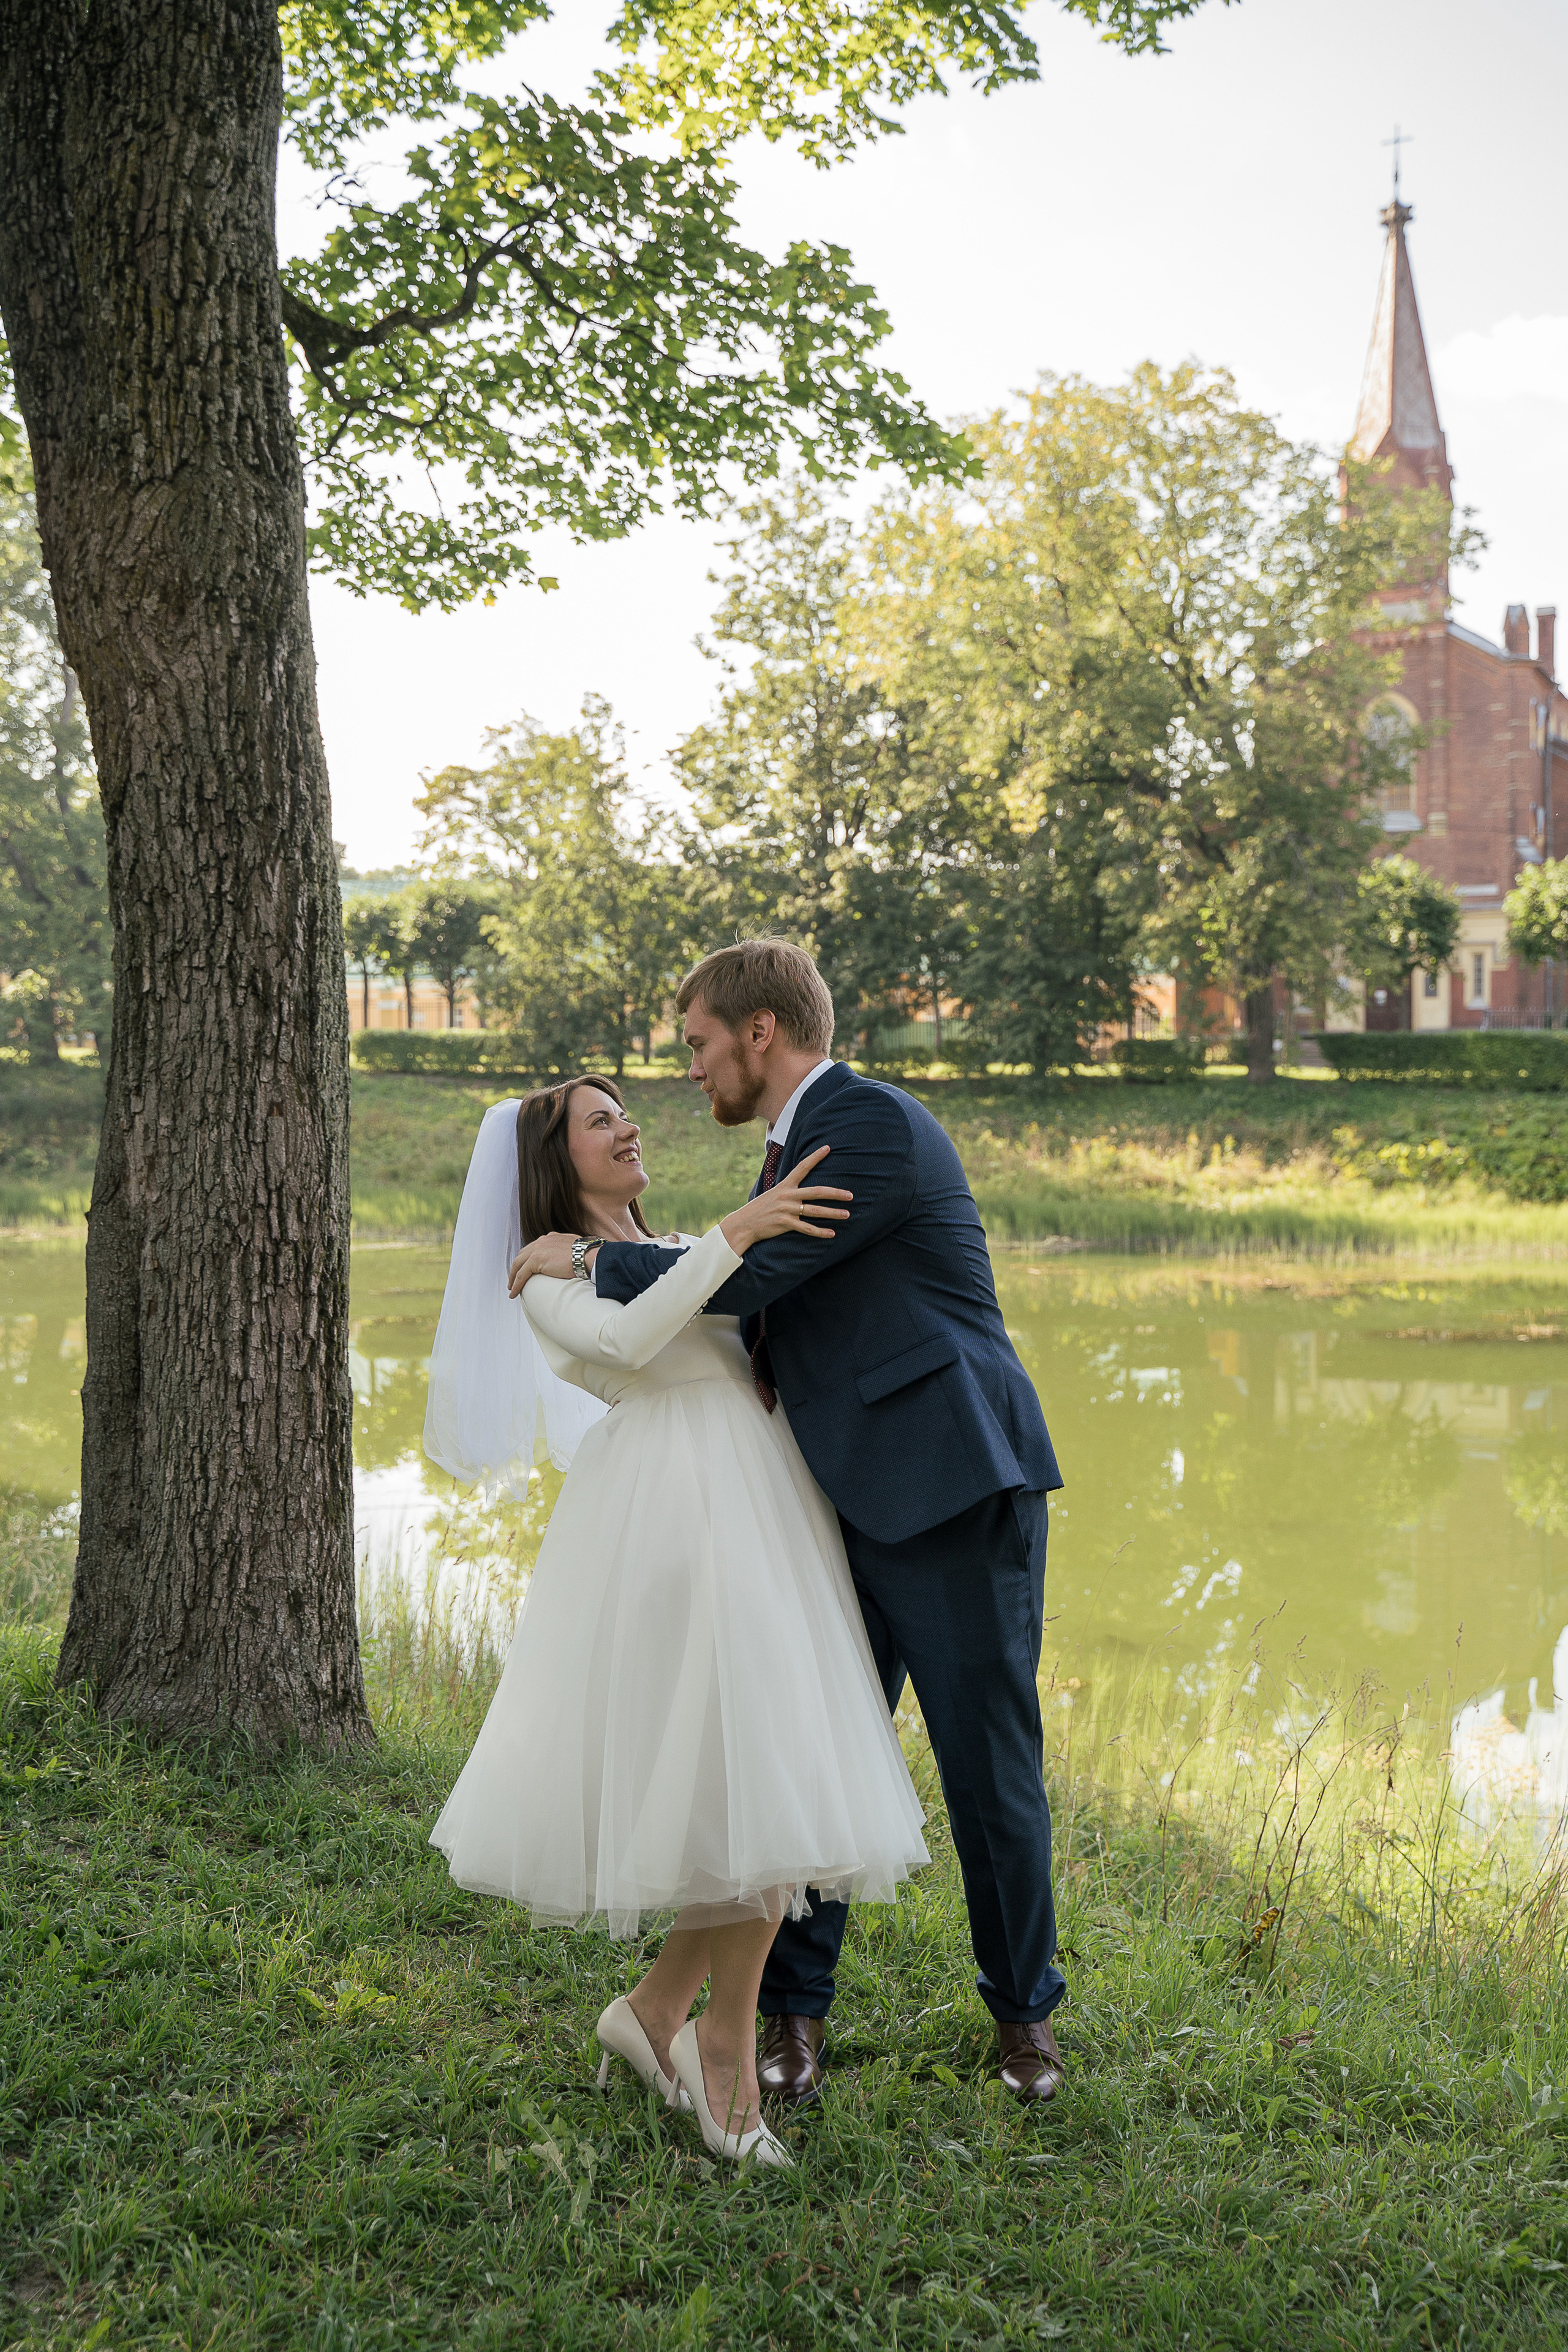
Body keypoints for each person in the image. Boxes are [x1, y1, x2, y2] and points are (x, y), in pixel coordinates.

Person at [510, 941, 1068, 2106]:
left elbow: (746, 1284)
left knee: (988, 1766)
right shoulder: (783, 1150)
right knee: (807, 1767)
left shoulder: (860, 1124)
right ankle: (792, 2021)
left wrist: (588, 1255)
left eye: (701, 1046)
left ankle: (1025, 2022)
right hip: (833, 1506)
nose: (694, 1073)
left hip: (953, 1486)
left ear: (760, 1033)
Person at [423, 1076, 929, 2168]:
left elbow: (757, 1324)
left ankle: (660, 2015)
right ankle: (723, 2060)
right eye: (599, 1121)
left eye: (624, 1111)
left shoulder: (675, 1243)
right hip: (673, 1523)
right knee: (751, 1785)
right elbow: (634, 1343)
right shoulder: (546, 1271)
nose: (628, 1125)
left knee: (765, 1785)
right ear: (557, 1162)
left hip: (767, 1510)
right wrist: (733, 1234)